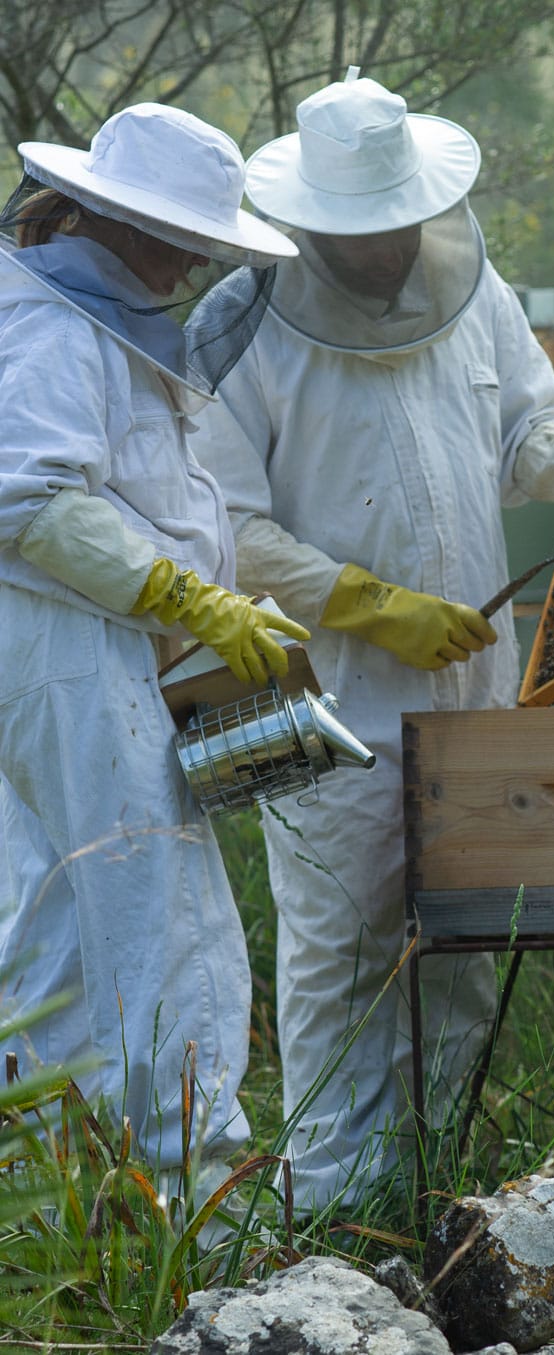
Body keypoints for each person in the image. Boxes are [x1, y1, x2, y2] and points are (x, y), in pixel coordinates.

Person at [188, 69, 554, 1216]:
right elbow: (222, 527)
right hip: (330, 702)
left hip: (476, 694)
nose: (387, 251)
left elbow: (526, 429)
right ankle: (329, 1212)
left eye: (401, 225)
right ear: (312, 221)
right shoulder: (239, 328)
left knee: (468, 950)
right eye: (361, 233)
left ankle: (443, 1197)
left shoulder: (474, 287)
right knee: (343, 953)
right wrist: (369, 600)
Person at [0, 103, 310, 1195]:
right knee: (162, 916)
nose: (192, 261)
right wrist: (190, 595)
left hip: (77, 651)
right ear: (114, 219)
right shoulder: (48, 324)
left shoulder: (76, 311)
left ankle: (61, 1209)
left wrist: (196, 602)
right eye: (180, 235)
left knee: (57, 924)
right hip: (72, 654)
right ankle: (206, 1208)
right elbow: (29, 502)